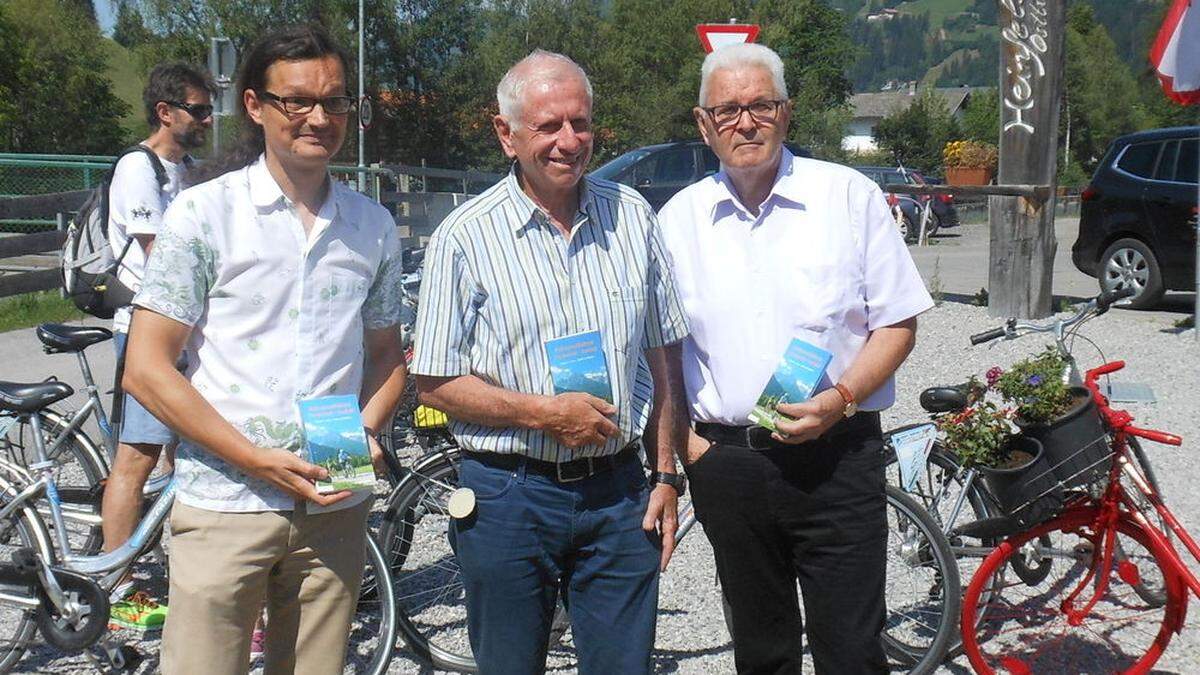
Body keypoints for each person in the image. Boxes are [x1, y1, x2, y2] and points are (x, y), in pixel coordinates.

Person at [122, 24, 406, 674]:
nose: (318, 117)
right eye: (297, 100)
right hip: (226, 501)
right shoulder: (202, 215)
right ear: (255, 106)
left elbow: (389, 356)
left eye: (334, 101)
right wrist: (254, 457)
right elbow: (145, 367)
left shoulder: (373, 225)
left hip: (334, 500)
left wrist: (364, 431)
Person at [410, 49, 691, 675]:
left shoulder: (634, 217)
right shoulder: (465, 237)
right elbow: (433, 381)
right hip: (509, 496)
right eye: (548, 126)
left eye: (581, 123)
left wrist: (666, 473)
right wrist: (543, 414)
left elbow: (665, 352)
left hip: (619, 494)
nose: (570, 140)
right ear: (505, 134)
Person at [656, 43, 934, 675]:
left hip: (836, 458)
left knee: (852, 648)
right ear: (703, 126)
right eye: (726, 110)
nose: (744, 122)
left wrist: (840, 400)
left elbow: (898, 324)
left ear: (787, 114)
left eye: (760, 105)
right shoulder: (679, 221)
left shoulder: (849, 197)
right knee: (761, 652)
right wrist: (686, 450)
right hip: (728, 464)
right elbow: (664, 350)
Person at [100, 61, 215, 632]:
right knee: (136, 461)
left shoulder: (189, 171)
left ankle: (180, 572)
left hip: (187, 335)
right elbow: (160, 255)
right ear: (165, 112)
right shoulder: (137, 168)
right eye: (198, 109)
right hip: (147, 330)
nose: (207, 118)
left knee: (183, 457)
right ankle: (116, 589)